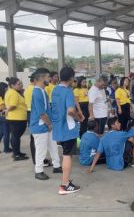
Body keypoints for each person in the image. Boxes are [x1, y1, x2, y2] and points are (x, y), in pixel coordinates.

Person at [52, 66, 84, 194]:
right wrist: (79, 118)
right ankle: (64, 185)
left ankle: (66, 181)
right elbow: (70, 110)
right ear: (71, 77)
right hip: (68, 128)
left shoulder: (55, 90)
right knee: (67, 155)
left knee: (66, 153)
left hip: (59, 127)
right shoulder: (68, 91)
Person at [30, 68, 61, 180]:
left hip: (46, 125)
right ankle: (38, 171)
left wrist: (49, 124)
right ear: (42, 78)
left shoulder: (42, 91)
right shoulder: (37, 93)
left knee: (53, 146)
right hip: (40, 127)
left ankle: (57, 166)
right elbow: (42, 114)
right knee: (41, 150)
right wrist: (49, 124)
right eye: (48, 77)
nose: (50, 79)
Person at [5, 77, 28, 161]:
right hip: (17, 118)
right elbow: (13, 105)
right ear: (12, 85)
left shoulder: (12, 92)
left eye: (21, 83)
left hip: (15, 118)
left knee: (15, 137)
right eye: (18, 84)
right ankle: (16, 154)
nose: (21, 85)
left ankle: (17, 152)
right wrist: (7, 110)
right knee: (16, 137)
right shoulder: (13, 93)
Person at [24, 75, 36, 164]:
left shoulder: (27, 88)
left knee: (33, 138)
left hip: (29, 113)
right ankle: (37, 160)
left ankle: (36, 159)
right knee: (36, 138)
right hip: (33, 113)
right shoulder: (34, 89)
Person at [0, 82, 11, 153]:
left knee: (1, 132)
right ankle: (6, 149)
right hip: (3, 116)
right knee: (6, 132)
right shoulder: (1, 97)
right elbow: (3, 107)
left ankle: (6, 148)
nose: (7, 89)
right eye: (6, 88)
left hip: (1, 116)